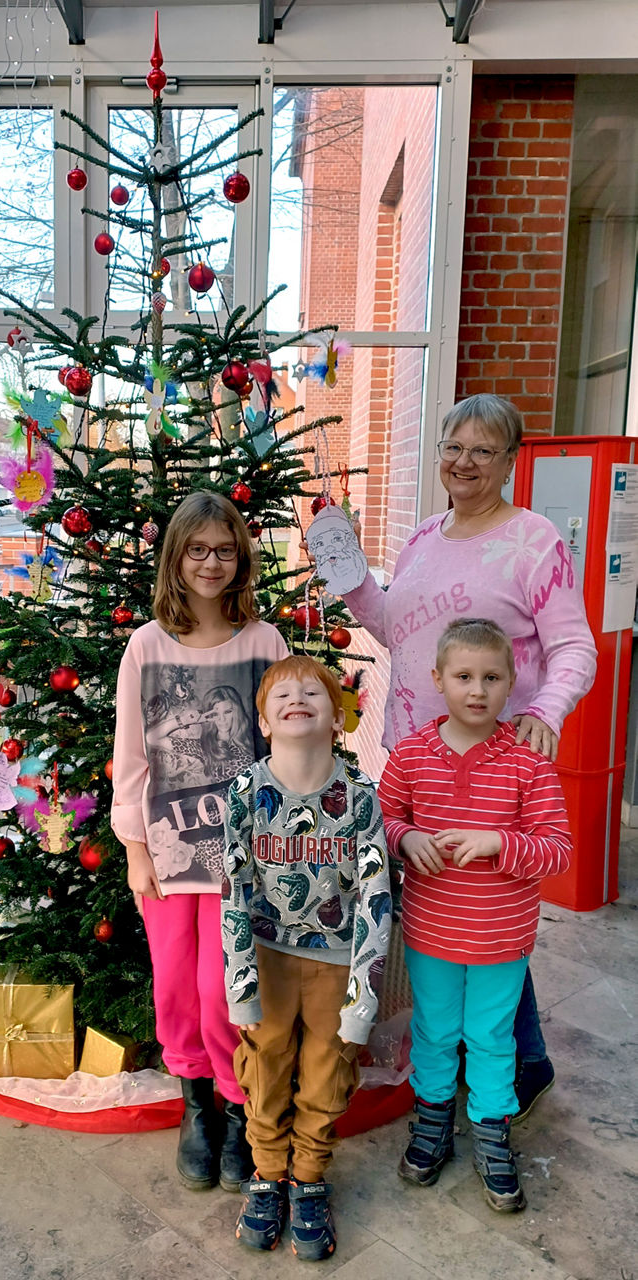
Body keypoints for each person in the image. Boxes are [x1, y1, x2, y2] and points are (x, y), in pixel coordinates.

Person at [342, 393, 596, 1119]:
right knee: (441, 906)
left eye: (483, 451)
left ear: (509, 461)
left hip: (493, 761)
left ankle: (514, 1061)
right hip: (419, 758)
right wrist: (352, 574)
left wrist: (543, 712)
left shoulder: (533, 540)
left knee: (489, 903)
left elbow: (574, 645)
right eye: (454, 447)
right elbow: (394, 627)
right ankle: (473, 1054)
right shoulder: (425, 534)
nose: (464, 462)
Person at [111, 490, 288, 1193]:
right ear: (175, 559)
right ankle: (195, 1109)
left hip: (240, 856)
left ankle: (238, 1107)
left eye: (223, 549)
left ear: (240, 558)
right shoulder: (146, 645)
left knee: (227, 991)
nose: (210, 562)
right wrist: (133, 848)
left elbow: (289, 741)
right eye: (196, 549)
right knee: (178, 988)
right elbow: (129, 754)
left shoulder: (264, 642)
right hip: (166, 849)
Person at [378, 619, 571, 1211]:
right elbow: (379, 821)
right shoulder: (411, 754)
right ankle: (432, 1123)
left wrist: (499, 843)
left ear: (512, 683)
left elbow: (558, 850)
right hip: (432, 932)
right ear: (438, 679)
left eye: (492, 677)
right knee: (435, 1033)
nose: (477, 690)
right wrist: (405, 837)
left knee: (490, 1039)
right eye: (463, 676)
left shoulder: (528, 765)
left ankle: (492, 1133)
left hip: (501, 936)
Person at [221, 655, 390, 1261]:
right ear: (264, 721)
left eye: (312, 692)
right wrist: (240, 984)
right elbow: (233, 890)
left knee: (327, 1066)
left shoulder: (360, 796)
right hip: (265, 955)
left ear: (337, 717)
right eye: (282, 694)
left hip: (335, 960)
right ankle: (267, 1172)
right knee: (265, 1066)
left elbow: (376, 898)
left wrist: (362, 997)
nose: (297, 699)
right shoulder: (244, 792)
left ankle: (310, 1176)